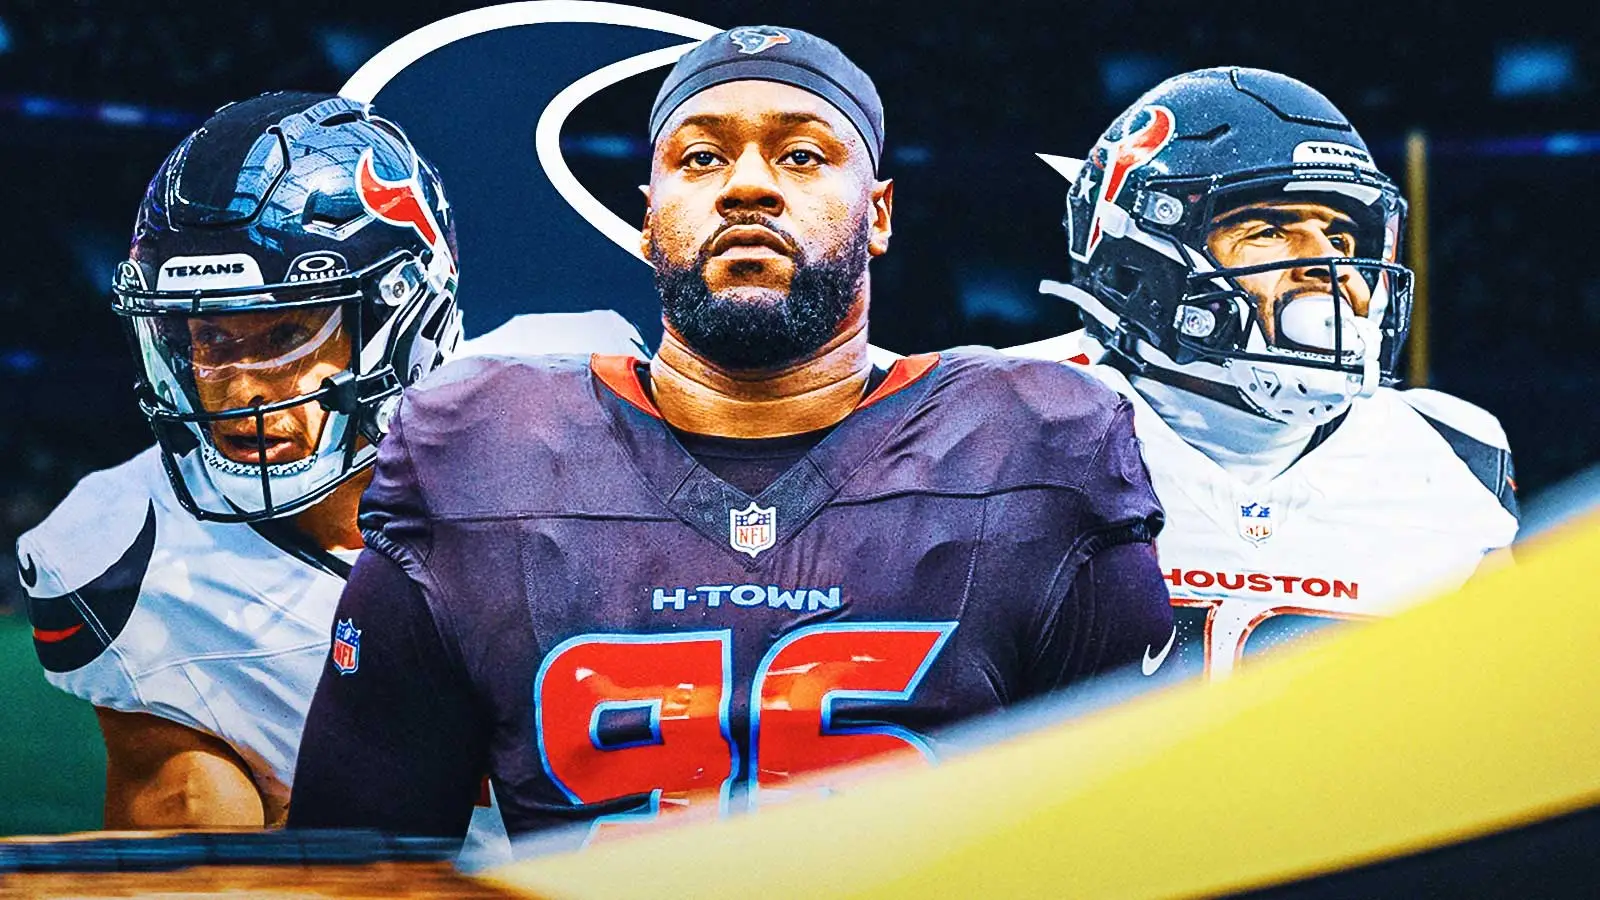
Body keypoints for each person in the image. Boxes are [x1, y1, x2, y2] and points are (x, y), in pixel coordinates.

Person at [288, 25, 1172, 842]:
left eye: (802, 154)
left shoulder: (1040, 444)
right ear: (647, 216)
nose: (749, 185)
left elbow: (1122, 848)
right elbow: (358, 867)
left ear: (880, 213)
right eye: (703, 156)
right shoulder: (475, 452)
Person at [13, 92, 646, 831]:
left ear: (403, 314)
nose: (239, 384)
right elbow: (193, 844)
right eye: (210, 339)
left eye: (284, 331)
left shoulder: (579, 401)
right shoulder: (124, 555)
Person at [1018, 67, 1518, 681]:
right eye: (1271, 230)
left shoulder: (1453, 453)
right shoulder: (999, 413)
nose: (1328, 266)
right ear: (1138, 261)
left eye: (1339, 236)